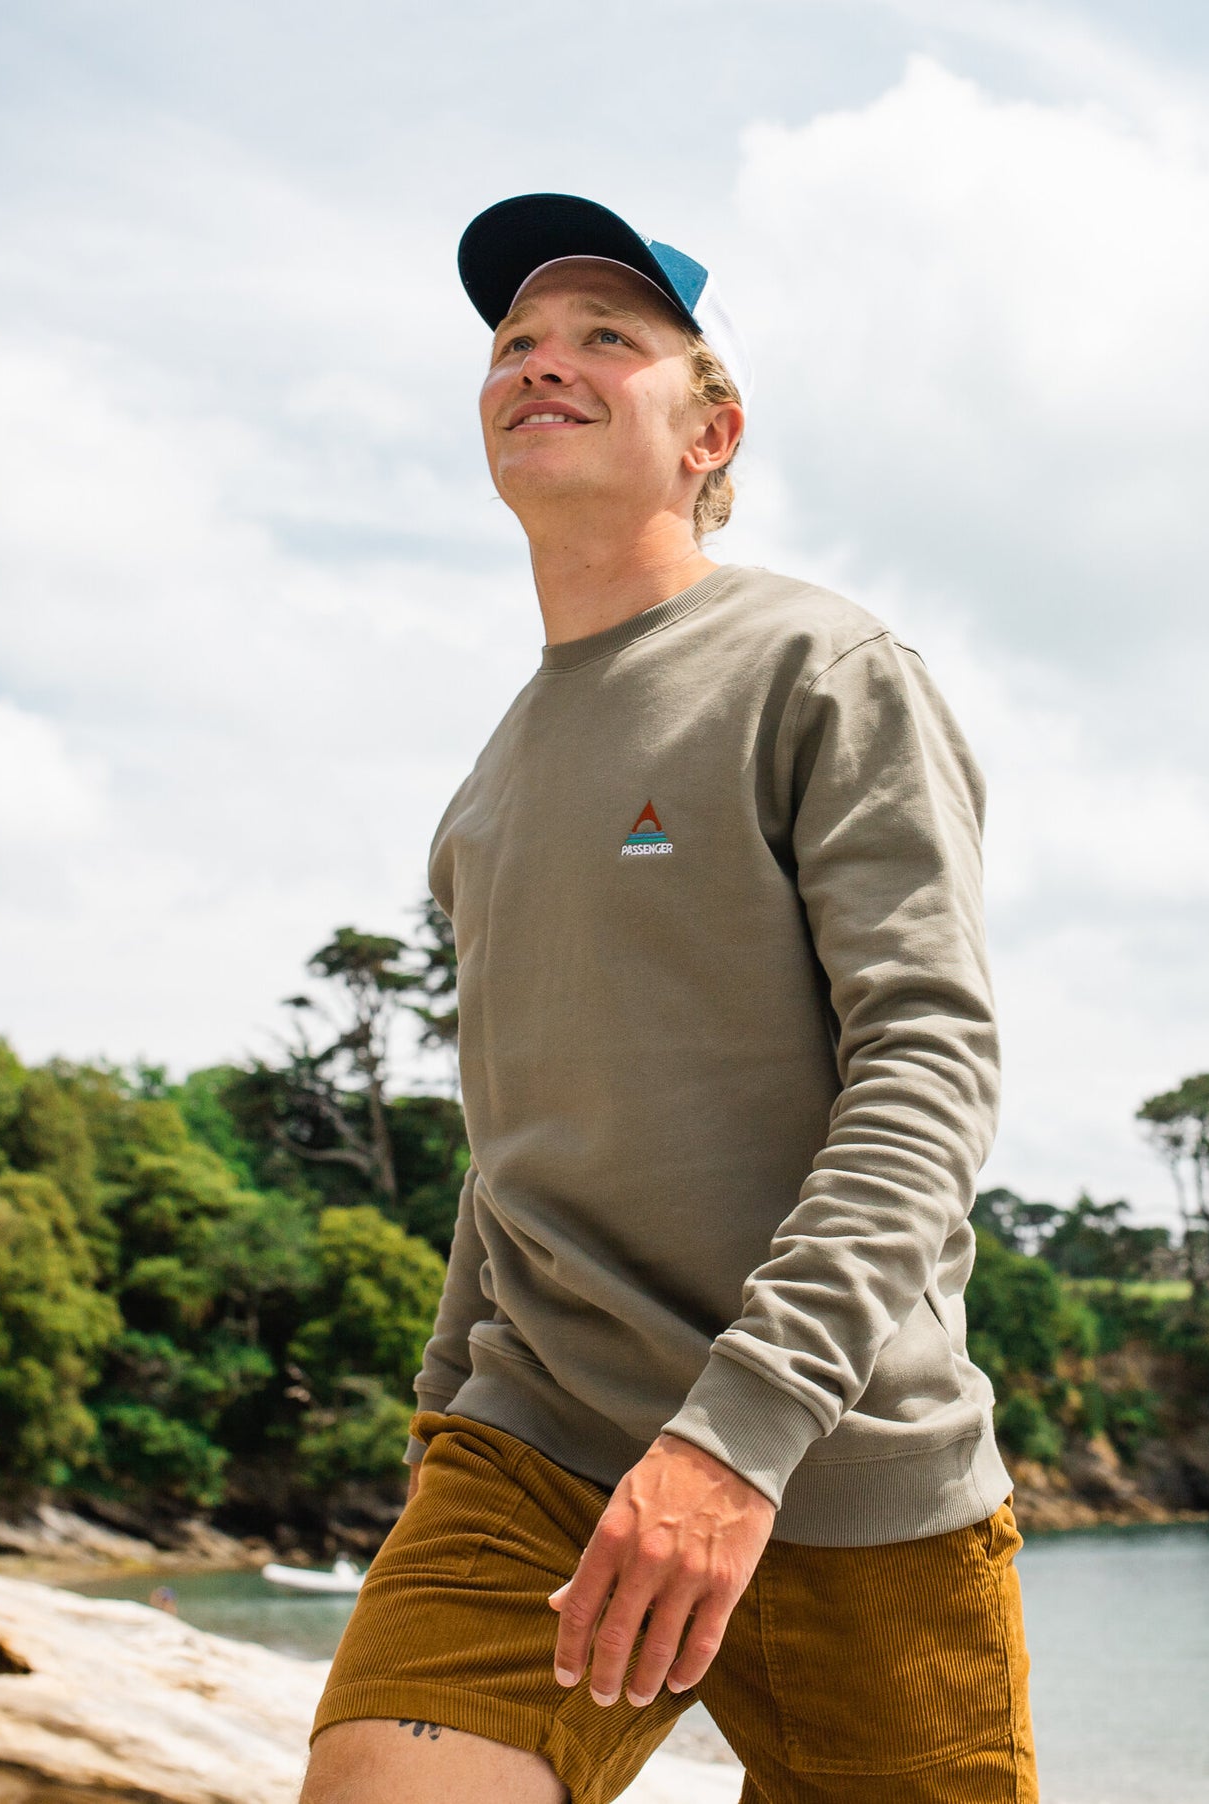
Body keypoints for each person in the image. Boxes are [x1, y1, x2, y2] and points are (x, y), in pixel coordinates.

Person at [300, 191, 1037, 1804]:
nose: (539, 361)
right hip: (538, 1449)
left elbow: (925, 1069)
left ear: (711, 432)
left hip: (848, 1466)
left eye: (603, 338)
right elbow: (514, 1149)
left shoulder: (820, 671)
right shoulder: (486, 793)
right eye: (513, 341)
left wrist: (737, 1435)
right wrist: (441, 1418)